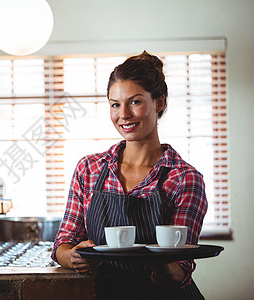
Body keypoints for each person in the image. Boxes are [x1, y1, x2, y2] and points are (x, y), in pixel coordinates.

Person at [51, 51, 208, 299]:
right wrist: (72, 258)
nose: (123, 114)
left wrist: (160, 263)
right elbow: (64, 242)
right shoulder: (89, 169)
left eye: (135, 102)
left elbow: (180, 271)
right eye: (115, 104)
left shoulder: (184, 178)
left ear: (159, 102)